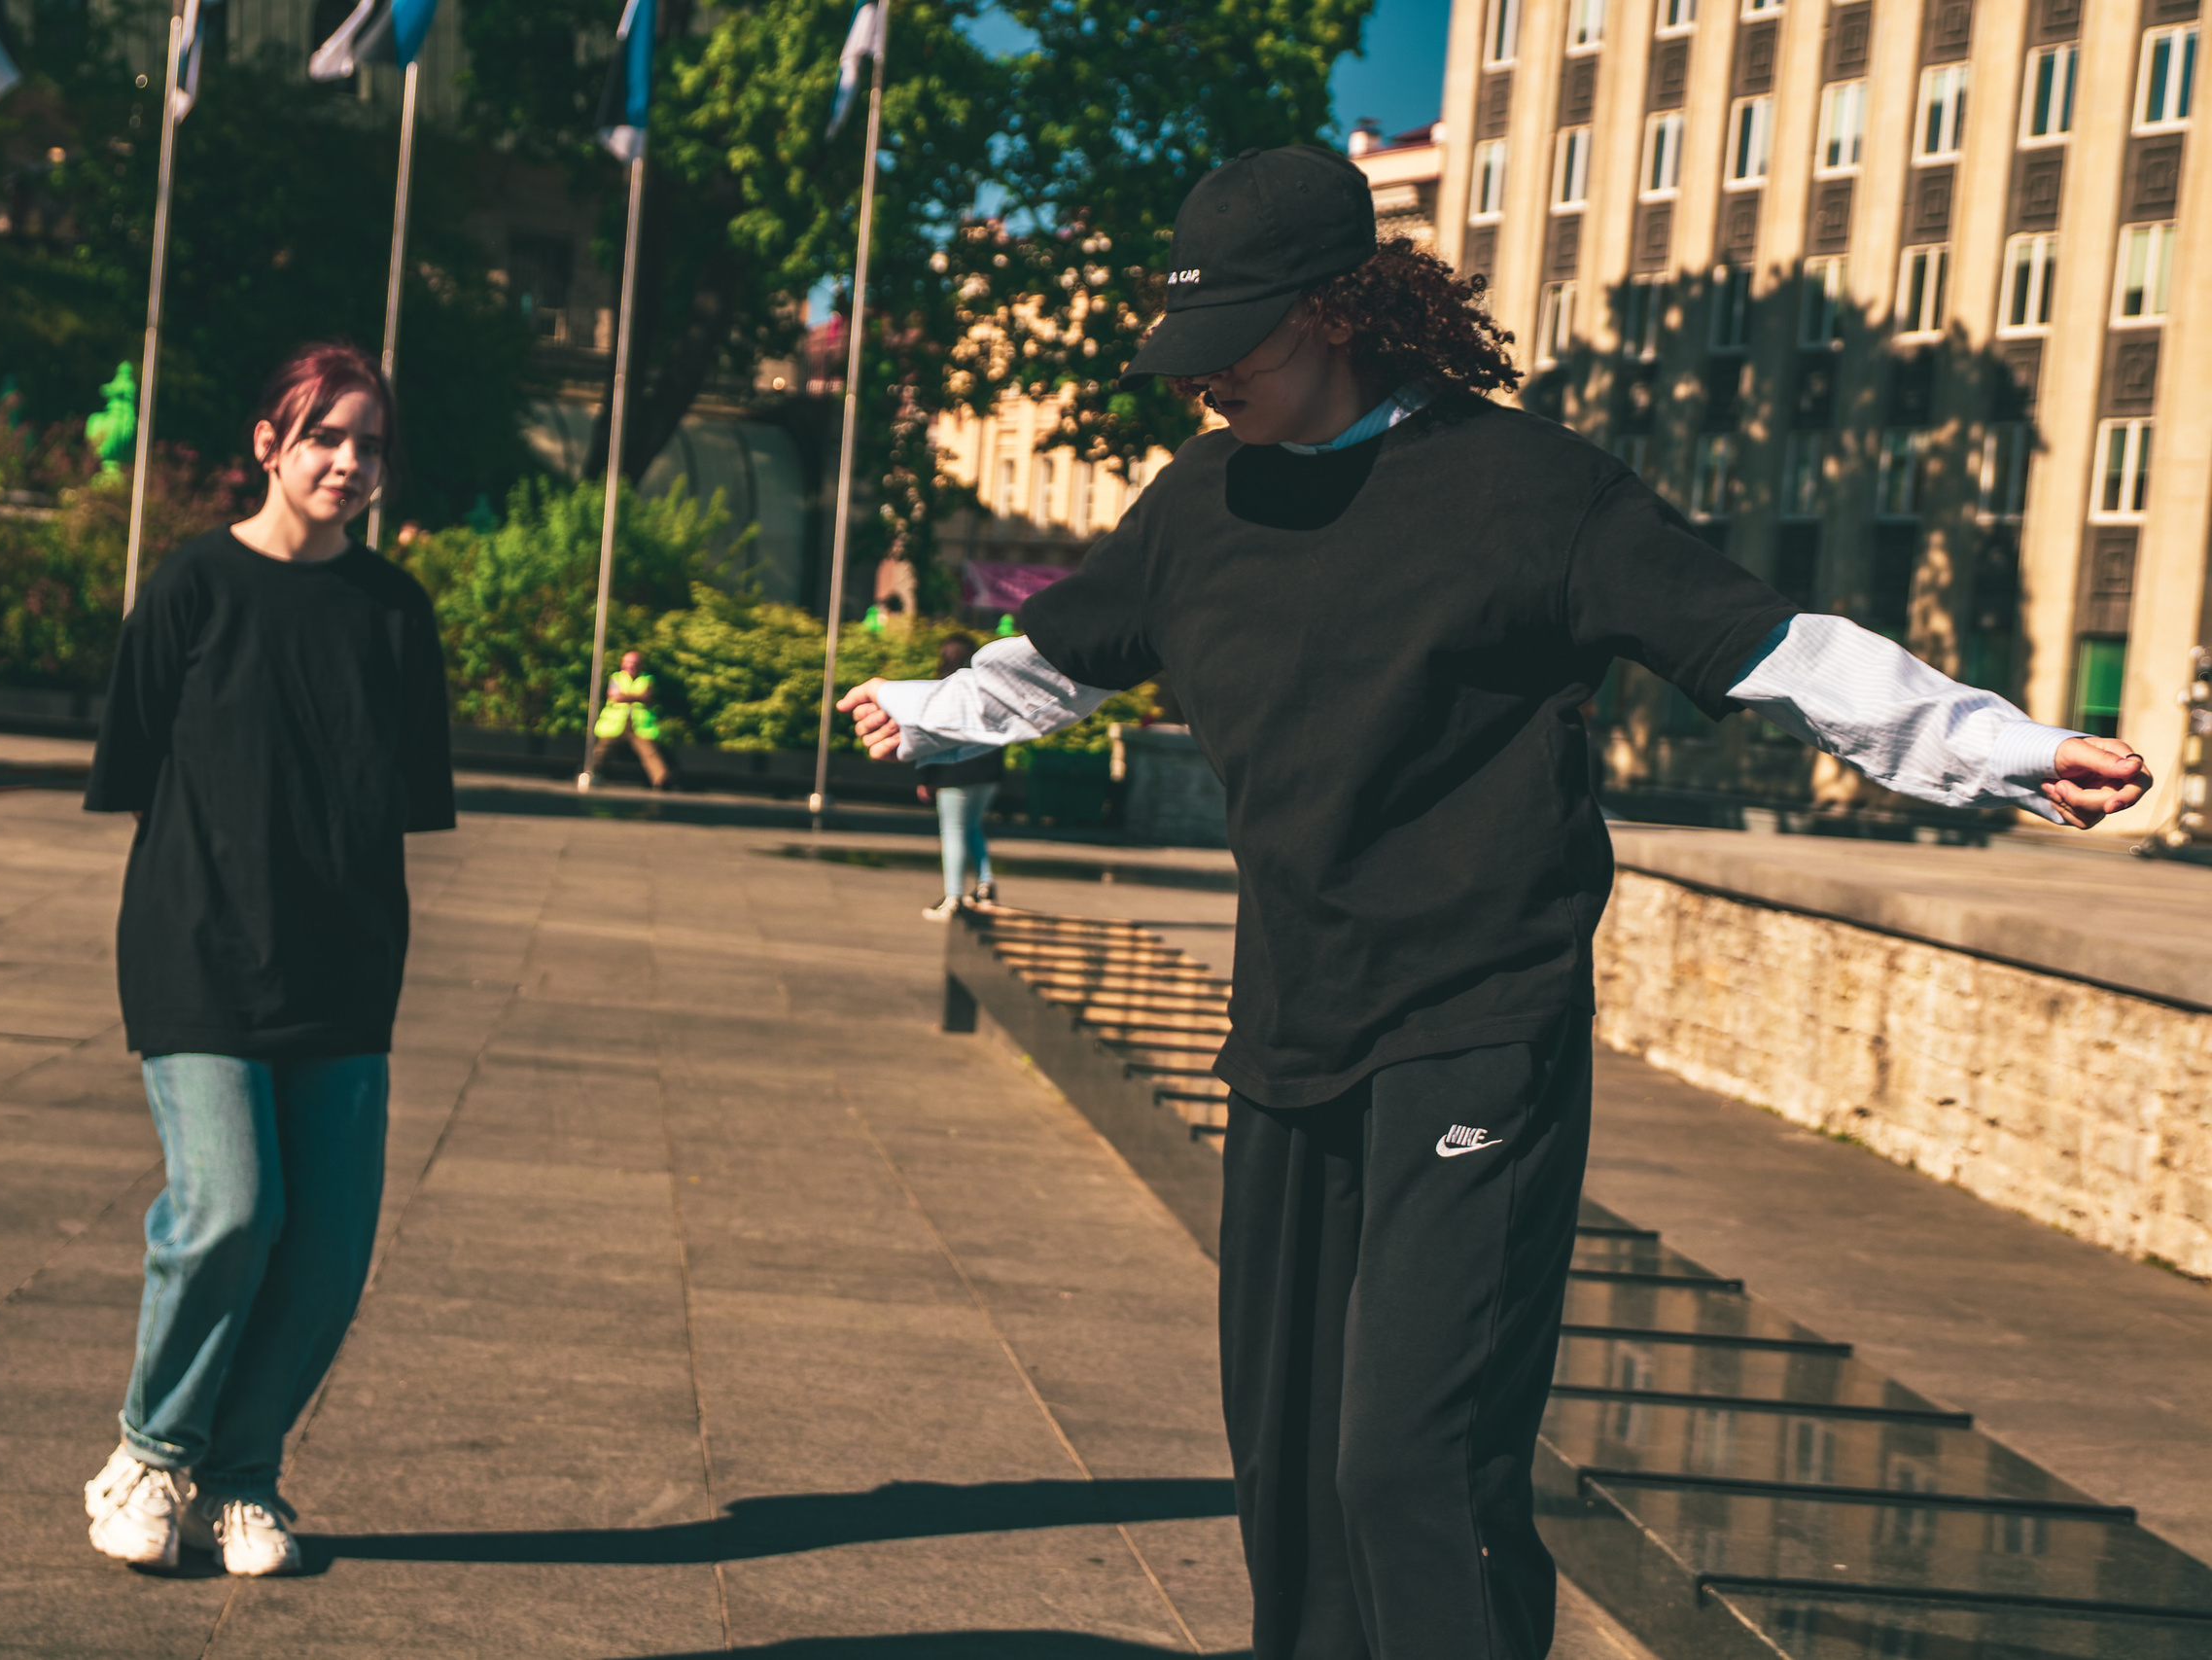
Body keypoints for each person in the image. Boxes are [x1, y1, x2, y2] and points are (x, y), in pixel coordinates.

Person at [838, 146, 2152, 1660]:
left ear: (1337, 311)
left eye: (1236, 346)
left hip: (1477, 1027)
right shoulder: (1201, 498)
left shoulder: (1533, 490)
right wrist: (936, 711)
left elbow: (1773, 642)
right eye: (1187, 351)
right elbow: (1060, 655)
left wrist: (2006, 748)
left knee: (1409, 1458)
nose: (1205, 385)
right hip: (1288, 1023)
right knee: (1282, 1461)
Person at [79, 341, 455, 1576]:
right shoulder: (191, 585)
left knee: (331, 1246)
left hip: (343, 972)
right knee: (232, 1208)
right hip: (197, 954)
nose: (349, 462)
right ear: (268, 446)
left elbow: (400, 799)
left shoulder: (396, 615)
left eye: (370, 444)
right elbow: (134, 767)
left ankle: (241, 1480)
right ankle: (146, 1453)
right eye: (325, 437)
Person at [915, 632, 1003, 920]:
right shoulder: (989, 690)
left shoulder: (944, 690)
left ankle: (953, 897)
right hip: (988, 772)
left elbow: (932, 737)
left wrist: (926, 776)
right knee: (972, 827)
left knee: (952, 831)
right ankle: (985, 884)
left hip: (953, 774)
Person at [587, 649, 670, 789]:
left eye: (634, 663)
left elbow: (647, 698)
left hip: (639, 726)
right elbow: (615, 696)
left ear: (640, 665)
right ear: (622, 664)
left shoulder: (647, 679)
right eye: (628, 663)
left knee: (650, 753)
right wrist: (637, 697)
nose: (630, 666)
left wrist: (625, 696)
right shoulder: (616, 677)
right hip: (615, 724)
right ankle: (591, 773)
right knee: (601, 750)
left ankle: (662, 780)